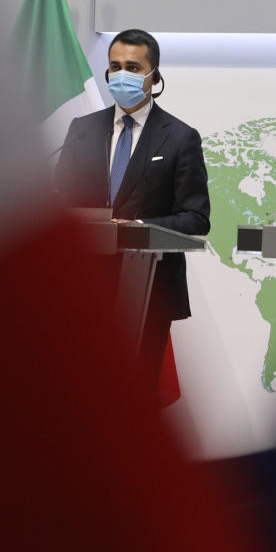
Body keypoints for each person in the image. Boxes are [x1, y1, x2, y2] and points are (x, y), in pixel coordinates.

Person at [54, 29, 210, 400]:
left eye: (133, 67)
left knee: (132, 404)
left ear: (154, 76)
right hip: (84, 293)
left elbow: (196, 218)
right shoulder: (82, 129)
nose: (121, 75)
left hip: (148, 294)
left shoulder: (180, 137)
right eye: (115, 66)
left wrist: (136, 229)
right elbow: (60, 201)